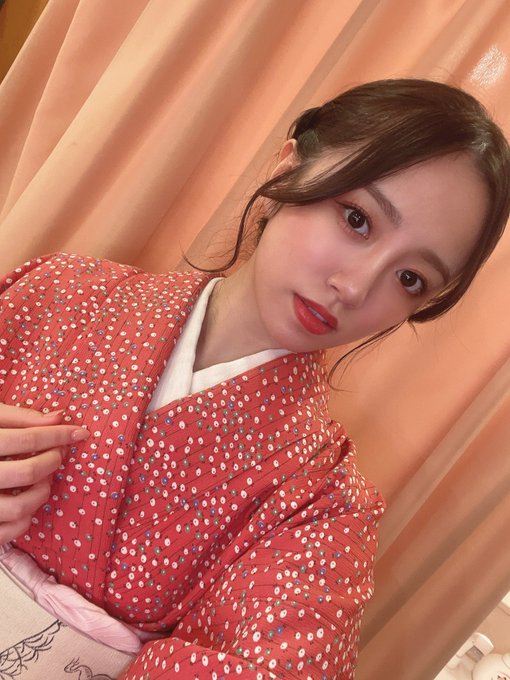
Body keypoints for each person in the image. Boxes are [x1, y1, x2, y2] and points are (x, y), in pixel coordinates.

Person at [0, 79, 508, 680]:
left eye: (410, 279)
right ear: (288, 167)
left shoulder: (323, 507)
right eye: (357, 219)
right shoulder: (58, 292)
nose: (355, 287)